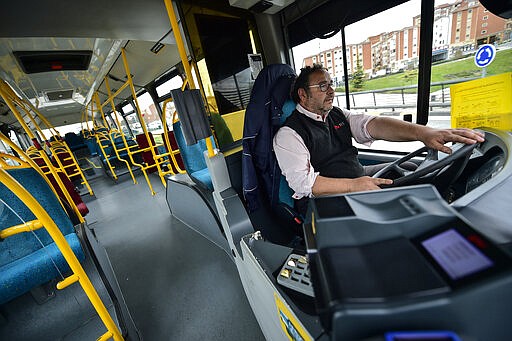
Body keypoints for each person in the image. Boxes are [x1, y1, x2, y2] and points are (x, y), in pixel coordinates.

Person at [273, 64, 485, 208]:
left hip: (358, 174)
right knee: (403, 193)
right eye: (322, 86)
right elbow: (304, 184)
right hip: (329, 200)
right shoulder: (289, 134)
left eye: (331, 84)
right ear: (302, 95)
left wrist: (424, 133)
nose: (331, 91)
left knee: (412, 169)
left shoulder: (336, 114)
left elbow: (373, 125)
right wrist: (355, 185)